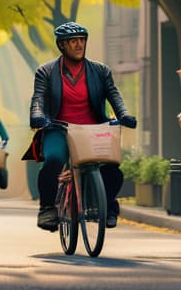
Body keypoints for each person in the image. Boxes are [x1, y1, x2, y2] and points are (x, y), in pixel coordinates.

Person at [29, 21, 137, 231]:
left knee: (112, 167)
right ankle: (47, 208)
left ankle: (109, 205)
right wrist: (37, 115)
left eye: (82, 40)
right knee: (54, 160)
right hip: (59, 129)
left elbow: (114, 95)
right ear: (62, 45)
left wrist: (124, 114)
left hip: (94, 129)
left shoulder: (100, 71)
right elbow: (38, 99)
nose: (79, 45)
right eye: (73, 41)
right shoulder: (46, 72)